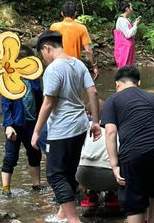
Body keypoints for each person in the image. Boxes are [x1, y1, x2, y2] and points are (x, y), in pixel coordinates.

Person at [32, 31, 101, 223]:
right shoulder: (78, 63)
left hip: (62, 128)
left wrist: (36, 131)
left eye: (42, 54)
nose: (44, 59)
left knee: (55, 174)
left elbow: (48, 103)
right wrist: (95, 122)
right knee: (69, 170)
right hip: (80, 125)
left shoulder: (53, 69)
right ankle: (63, 213)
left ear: (47, 48)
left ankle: (72, 219)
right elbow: (93, 92)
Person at [101, 65, 154, 223]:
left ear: (117, 84)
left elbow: (110, 132)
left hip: (132, 153)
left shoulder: (112, 100)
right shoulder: (152, 98)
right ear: (139, 83)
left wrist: (115, 165)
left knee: (134, 202)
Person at [0, 46, 45, 196]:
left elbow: (40, 101)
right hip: (15, 125)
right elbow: (5, 105)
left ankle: (36, 185)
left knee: (34, 153)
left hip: (32, 123)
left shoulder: (34, 80)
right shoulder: (9, 80)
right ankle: (6, 189)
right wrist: (8, 125)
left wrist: (43, 121)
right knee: (11, 156)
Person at [77, 99, 120, 210]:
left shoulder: (82, 127)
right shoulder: (115, 127)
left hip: (84, 176)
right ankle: (112, 195)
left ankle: (91, 196)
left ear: (88, 114)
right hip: (111, 177)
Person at [51, 1, 99, 80]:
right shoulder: (81, 28)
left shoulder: (54, 27)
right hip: (74, 66)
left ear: (62, 13)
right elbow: (88, 50)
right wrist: (95, 66)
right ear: (75, 13)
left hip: (57, 65)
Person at [113, 0, 140, 68]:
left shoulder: (126, 19)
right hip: (123, 49)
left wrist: (133, 25)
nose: (132, 9)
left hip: (127, 48)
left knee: (128, 69)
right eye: (131, 7)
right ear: (127, 9)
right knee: (124, 68)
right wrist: (135, 25)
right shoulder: (121, 20)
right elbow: (128, 35)